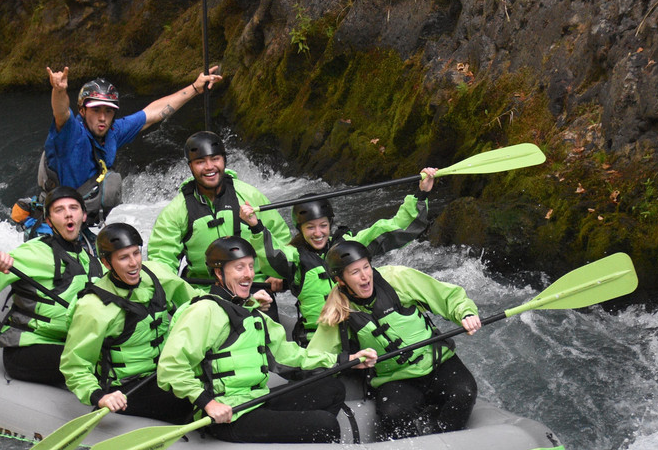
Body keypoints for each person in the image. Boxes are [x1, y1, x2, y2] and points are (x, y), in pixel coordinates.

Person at [156, 237, 376, 443]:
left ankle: (295, 445)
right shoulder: (204, 311)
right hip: (226, 415)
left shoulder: (254, 314)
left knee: (332, 388)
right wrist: (209, 403)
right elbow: (170, 367)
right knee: (324, 424)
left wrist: (347, 359)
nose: (248, 274)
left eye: (251, 266)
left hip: (256, 400)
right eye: (239, 267)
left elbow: (290, 356)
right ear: (218, 273)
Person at [238, 167, 438, 344]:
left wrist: (421, 195)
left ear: (330, 224)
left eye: (323, 226)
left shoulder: (349, 245)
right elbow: (274, 257)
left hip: (360, 337)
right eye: (310, 228)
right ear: (300, 229)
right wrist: (256, 227)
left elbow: (394, 229)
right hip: (322, 342)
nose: (318, 233)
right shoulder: (296, 257)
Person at [308, 241, 481, 439]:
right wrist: (350, 361)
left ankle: (442, 436)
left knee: (464, 393)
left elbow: (447, 296)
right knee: (392, 414)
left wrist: (465, 313)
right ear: (340, 280)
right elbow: (316, 356)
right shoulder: (338, 310)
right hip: (396, 379)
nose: (365, 276)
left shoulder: (397, 278)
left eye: (366, 267)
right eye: (355, 272)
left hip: (437, 362)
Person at [38, 64, 223, 225]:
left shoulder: (112, 132)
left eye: (109, 111)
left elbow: (152, 113)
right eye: (96, 110)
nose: (102, 117)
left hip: (85, 218)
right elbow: (61, 112)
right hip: (57, 217)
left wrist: (195, 88)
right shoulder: (71, 134)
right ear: (82, 110)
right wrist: (59, 90)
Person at [60, 223, 198, 423]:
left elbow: (199, 303)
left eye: (136, 253)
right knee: (193, 399)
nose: (134, 263)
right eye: (124, 257)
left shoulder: (156, 274)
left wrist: (244, 304)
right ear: (107, 264)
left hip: (167, 372)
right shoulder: (93, 307)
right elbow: (75, 366)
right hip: (128, 388)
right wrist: (100, 396)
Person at [0, 186, 101, 387]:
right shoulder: (34, 252)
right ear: (49, 221)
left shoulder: (91, 261)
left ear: (83, 215)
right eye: (59, 210)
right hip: (29, 349)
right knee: (101, 362)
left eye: (73, 208)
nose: (67, 214)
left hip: (68, 344)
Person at [148, 131, 291, 288]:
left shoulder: (248, 195)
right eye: (200, 162)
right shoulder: (177, 210)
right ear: (190, 166)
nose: (209, 167)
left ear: (224, 160)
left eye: (215, 159)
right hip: (204, 293)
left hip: (255, 288)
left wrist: (279, 273)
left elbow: (282, 238)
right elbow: (161, 262)